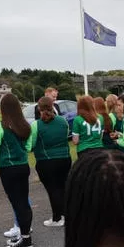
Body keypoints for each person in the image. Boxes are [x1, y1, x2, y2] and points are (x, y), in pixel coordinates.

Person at [0, 94, 33, 247]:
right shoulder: (26, 126)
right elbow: (28, 148)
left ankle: (26, 238)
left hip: (8, 168)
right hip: (23, 166)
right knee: (23, 202)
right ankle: (25, 234)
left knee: (17, 203)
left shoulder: (0, 127)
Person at [30, 96, 71, 227]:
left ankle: (57, 218)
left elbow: (31, 144)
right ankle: (65, 215)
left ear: (39, 109)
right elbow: (66, 136)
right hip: (65, 158)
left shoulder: (36, 125)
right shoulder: (63, 121)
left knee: (53, 189)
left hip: (46, 160)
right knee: (63, 187)